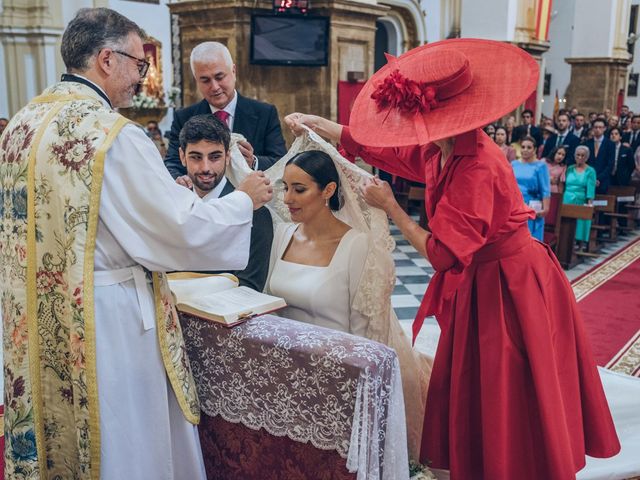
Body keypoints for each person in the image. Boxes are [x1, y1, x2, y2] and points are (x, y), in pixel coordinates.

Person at [285, 38, 620, 479]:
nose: (411, 125)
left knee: (511, 383)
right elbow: (392, 154)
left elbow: (442, 255)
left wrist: (393, 208)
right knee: (480, 384)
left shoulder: (478, 165)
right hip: (483, 278)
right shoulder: (439, 146)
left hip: (510, 282)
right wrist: (321, 124)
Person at [0, 8, 273, 479]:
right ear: (107, 59)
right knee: (123, 441)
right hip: (105, 318)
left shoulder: (21, 126)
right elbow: (176, 230)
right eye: (138, 64)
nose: (141, 79)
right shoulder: (111, 136)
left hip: (37, 313)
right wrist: (242, 202)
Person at [227, 135, 432, 460]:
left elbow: (370, 337)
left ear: (328, 191)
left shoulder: (358, 247)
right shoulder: (283, 235)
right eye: (286, 188)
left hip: (340, 382)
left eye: (300, 189)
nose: (289, 198)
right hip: (289, 378)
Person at [164, 41, 286, 181]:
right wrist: (179, 179)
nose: (214, 87)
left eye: (219, 77)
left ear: (233, 71)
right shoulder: (184, 118)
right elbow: (172, 162)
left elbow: (281, 162)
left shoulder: (265, 113)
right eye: (205, 80)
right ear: (196, 80)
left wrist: (253, 162)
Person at [177, 114, 273, 291]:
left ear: (228, 156)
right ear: (182, 156)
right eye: (196, 157)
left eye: (215, 157)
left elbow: (250, 286)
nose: (205, 167)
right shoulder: (175, 205)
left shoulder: (256, 212)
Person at [512, 136, 551, 240]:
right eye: (523, 147)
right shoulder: (514, 164)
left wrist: (545, 209)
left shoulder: (540, 166)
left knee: (530, 239)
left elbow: (545, 189)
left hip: (532, 205)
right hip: (515, 205)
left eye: (529, 147)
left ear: (535, 149)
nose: (525, 150)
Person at [563, 146, 597, 250]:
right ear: (574, 156)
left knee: (580, 223)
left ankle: (578, 244)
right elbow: (565, 185)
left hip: (580, 199)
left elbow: (590, 189)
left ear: (587, 157)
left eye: (583, 155)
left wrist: (590, 204)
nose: (580, 157)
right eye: (578, 155)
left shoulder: (590, 171)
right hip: (567, 199)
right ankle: (565, 243)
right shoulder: (569, 169)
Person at [586, 118, 615, 194]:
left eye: (600, 127)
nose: (597, 129)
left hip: (603, 180)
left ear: (605, 128)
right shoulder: (587, 143)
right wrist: (591, 178)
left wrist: (598, 178)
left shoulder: (610, 144)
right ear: (592, 128)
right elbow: (585, 162)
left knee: (601, 204)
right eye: (595, 127)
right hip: (588, 179)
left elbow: (610, 164)